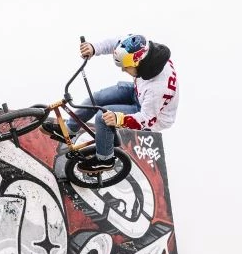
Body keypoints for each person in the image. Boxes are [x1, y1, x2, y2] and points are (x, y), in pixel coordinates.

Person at [40, 34, 178, 173]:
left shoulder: (158, 88)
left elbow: (147, 119)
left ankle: (105, 160)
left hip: (152, 115)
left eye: (126, 67)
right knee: (97, 98)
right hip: (139, 93)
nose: (123, 70)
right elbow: (116, 44)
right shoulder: (142, 48)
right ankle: (68, 130)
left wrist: (119, 119)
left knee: (103, 117)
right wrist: (94, 48)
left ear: (138, 62)